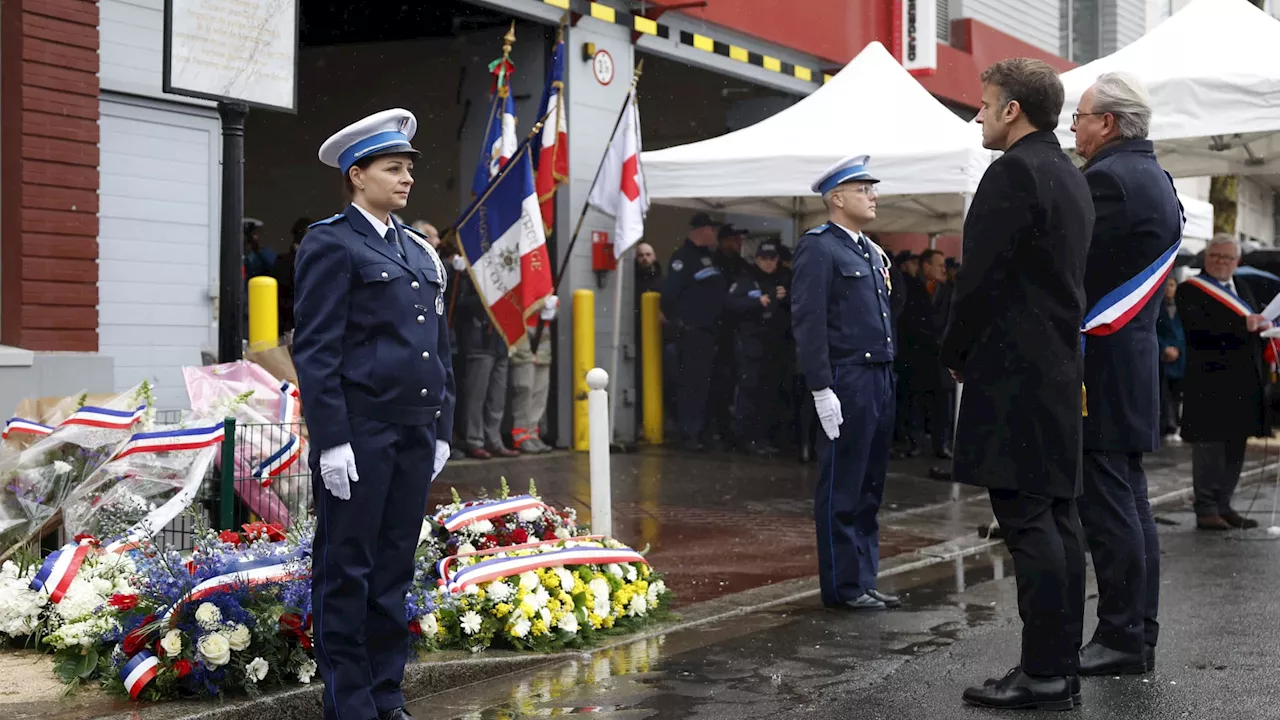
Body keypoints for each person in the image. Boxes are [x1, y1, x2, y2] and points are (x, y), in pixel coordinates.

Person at [292, 108, 455, 720]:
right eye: (393, 167)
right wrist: (331, 439)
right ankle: (351, 704)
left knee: (392, 571)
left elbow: (440, 347)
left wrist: (442, 424)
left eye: (409, 167)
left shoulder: (416, 249)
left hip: (414, 430)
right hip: (361, 434)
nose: (406, 178)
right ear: (357, 175)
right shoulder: (331, 242)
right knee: (348, 569)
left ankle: (388, 697)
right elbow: (316, 347)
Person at [941, 59, 1094, 711]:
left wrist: (955, 350)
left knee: (1030, 523)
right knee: (1057, 518)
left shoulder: (1013, 173)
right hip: (1058, 366)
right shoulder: (1071, 176)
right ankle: (1057, 664)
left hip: (1014, 372)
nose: (976, 113)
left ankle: (1043, 673)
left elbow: (981, 278)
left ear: (1011, 110)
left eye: (983, 103)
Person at [1070, 71, 1182, 677]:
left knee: (1110, 507)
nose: (1073, 125)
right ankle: (1137, 631)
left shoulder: (1108, 180)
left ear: (1107, 123)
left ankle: (1121, 634)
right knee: (1131, 504)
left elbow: (1071, 268)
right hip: (1129, 361)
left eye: (1081, 116)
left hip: (1103, 363)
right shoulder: (1155, 177)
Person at [792, 155, 900, 613]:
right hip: (848, 376)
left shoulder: (867, 250)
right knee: (843, 484)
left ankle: (863, 578)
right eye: (863, 189)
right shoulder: (819, 247)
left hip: (879, 375)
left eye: (872, 188)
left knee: (869, 485)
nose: (873, 195)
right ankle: (842, 586)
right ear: (837, 198)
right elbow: (809, 322)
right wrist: (821, 388)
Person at [1177, 234, 1273, 531]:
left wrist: (1265, 327)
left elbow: (1251, 324)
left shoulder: (1242, 287)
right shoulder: (1189, 290)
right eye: (1215, 256)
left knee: (1236, 446)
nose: (1220, 262)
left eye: (1226, 258)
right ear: (1206, 259)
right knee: (1210, 447)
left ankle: (1224, 504)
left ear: (1237, 261)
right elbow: (1197, 329)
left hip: (1243, 383)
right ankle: (1205, 507)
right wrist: (1240, 325)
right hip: (1210, 382)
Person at [661, 213, 729, 451]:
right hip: (693, 333)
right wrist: (679, 321)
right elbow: (669, 295)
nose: (714, 234)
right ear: (701, 230)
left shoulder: (710, 258)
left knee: (709, 385)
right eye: (711, 229)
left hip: (712, 332)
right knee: (692, 386)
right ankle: (690, 433)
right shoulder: (683, 259)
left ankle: (704, 432)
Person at [725, 241, 791, 455]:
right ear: (757, 259)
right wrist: (757, 302)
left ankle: (763, 438)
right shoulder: (747, 279)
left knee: (769, 393)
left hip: (775, 345)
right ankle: (745, 438)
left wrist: (785, 297)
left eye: (772, 259)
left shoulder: (784, 278)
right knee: (749, 390)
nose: (769, 263)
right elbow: (731, 303)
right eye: (765, 259)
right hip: (751, 344)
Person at [899, 249, 954, 459]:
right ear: (926, 266)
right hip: (918, 354)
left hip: (941, 356)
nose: (943, 269)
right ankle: (915, 443)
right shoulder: (912, 288)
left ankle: (942, 445)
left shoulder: (949, 291)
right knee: (916, 401)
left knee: (942, 403)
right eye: (939, 265)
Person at [1156, 276, 1186, 437]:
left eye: (1172, 285)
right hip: (1164, 358)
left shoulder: (1182, 307)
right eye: (1166, 285)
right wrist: (1164, 348)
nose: (1169, 288)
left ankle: (1175, 423)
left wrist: (1179, 349)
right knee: (1164, 393)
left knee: (1176, 394)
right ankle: (1167, 424)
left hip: (1180, 358)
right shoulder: (1157, 307)